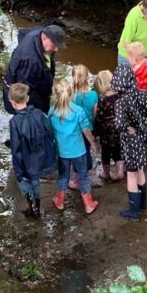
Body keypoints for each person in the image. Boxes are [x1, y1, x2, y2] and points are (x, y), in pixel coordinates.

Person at [112, 64, 147, 221]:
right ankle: (142, 204)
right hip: (144, 136)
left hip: (131, 142)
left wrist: (129, 127)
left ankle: (133, 211)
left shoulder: (120, 102)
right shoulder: (141, 94)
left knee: (131, 175)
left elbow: (118, 125)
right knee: (141, 170)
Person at [49, 80, 98, 214]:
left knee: (63, 176)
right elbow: (86, 131)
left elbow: (49, 131)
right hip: (79, 151)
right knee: (83, 176)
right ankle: (88, 204)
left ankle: (60, 201)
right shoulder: (78, 111)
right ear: (70, 94)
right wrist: (93, 144)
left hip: (62, 152)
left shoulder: (52, 112)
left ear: (55, 96)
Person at [8, 83, 58, 218]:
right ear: (27, 98)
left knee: (25, 183)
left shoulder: (14, 122)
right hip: (39, 157)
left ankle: (33, 208)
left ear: (12, 102)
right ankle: (37, 206)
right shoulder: (39, 114)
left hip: (26, 160)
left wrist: (18, 170)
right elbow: (49, 132)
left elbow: (16, 149)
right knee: (35, 182)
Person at [4, 25, 65, 115]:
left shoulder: (39, 32)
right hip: (21, 99)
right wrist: (43, 109)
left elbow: (22, 32)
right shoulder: (30, 61)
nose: (56, 49)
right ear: (44, 38)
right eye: (54, 45)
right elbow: (27, 90)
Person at [69, 64, 98, 190]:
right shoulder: (93, 95)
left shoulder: (70, 95)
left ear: (73, 77)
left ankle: (76, 182)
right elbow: (94, 114)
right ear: (87, 77)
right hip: (88, 128)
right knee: (87, 153)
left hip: (74, 130)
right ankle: (88, 179)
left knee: (77, 154)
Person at [93, 70, 124, 181]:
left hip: (106, 132)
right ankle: (120, 172)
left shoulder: (102, 100)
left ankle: (106, 173)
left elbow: (99, 118)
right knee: (117, 151)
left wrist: (96, 133)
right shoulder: (120, 96)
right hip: (119, 130)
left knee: (105, 153)